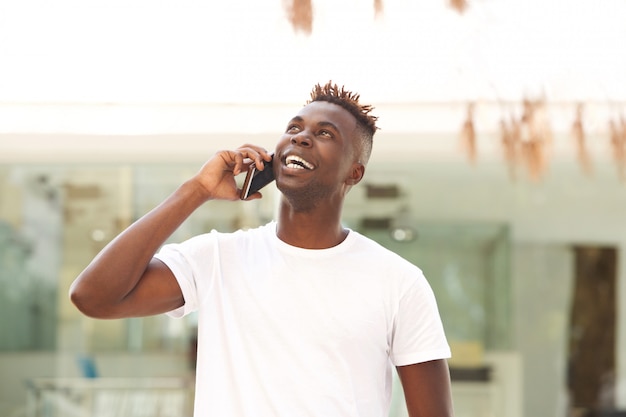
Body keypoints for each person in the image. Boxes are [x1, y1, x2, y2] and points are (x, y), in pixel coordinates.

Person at [70, 81, 454, 417]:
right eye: (294, 128)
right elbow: (93, 297)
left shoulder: (399, 282)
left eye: (325, 134)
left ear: (354, 172)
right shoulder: (217, 258)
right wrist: (197, 191)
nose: (301, 137)